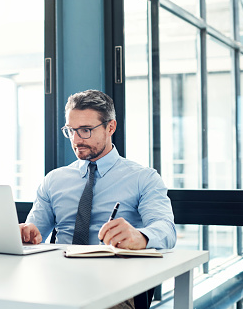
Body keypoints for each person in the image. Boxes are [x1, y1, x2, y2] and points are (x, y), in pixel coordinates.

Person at [19, 89, 176, 309]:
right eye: (71, 131)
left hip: (114, 286)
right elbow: (35, 232)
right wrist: (27, 233)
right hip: (57, 281)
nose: (76, 140)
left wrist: (140, 236)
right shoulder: (54, 180)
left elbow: (166, 229)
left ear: (110, 127)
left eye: (85, 130)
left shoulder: (143, 178)